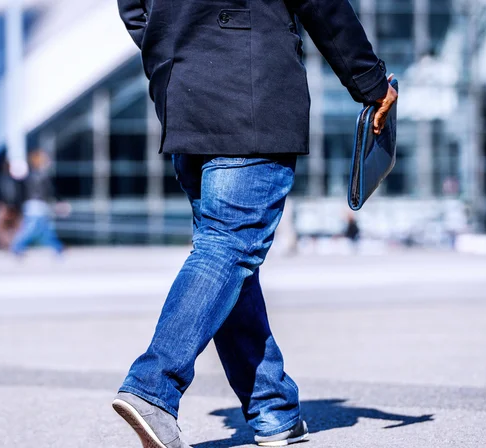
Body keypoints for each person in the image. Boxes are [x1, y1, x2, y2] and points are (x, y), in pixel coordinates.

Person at [113, 0, 398, 447]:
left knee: (229, 264)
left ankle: (273, 411)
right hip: (251, 90)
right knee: (228, 250)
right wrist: (370, 81)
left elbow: (133, 7)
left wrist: (173, 50)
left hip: (183, 91)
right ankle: (153, 386)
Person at [10, 150, 64, 256]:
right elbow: (50, 191)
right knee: (33, 230)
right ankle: (16, 246)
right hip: (38, 206)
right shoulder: (42, 175)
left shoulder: (28, 176)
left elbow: (21, 192)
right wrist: (59, 201)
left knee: (43, 231)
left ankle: (58, 248)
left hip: (31, 205)